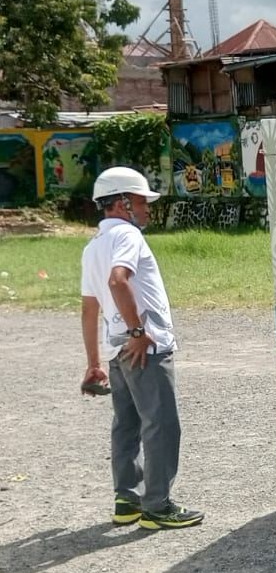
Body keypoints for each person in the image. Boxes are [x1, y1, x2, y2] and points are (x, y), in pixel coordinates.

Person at [80, 168, 203, 531]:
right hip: (143, 349)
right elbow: (118, 281)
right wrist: (138, 331)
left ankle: (127, 500)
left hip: (116, 351)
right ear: (122, 203)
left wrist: (93, 363)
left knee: (127, 425)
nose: (147, 207)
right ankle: (158, 507)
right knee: (161, 424)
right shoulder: (128, 235)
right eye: (141, 201)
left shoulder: (93, 246)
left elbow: (89, 309)